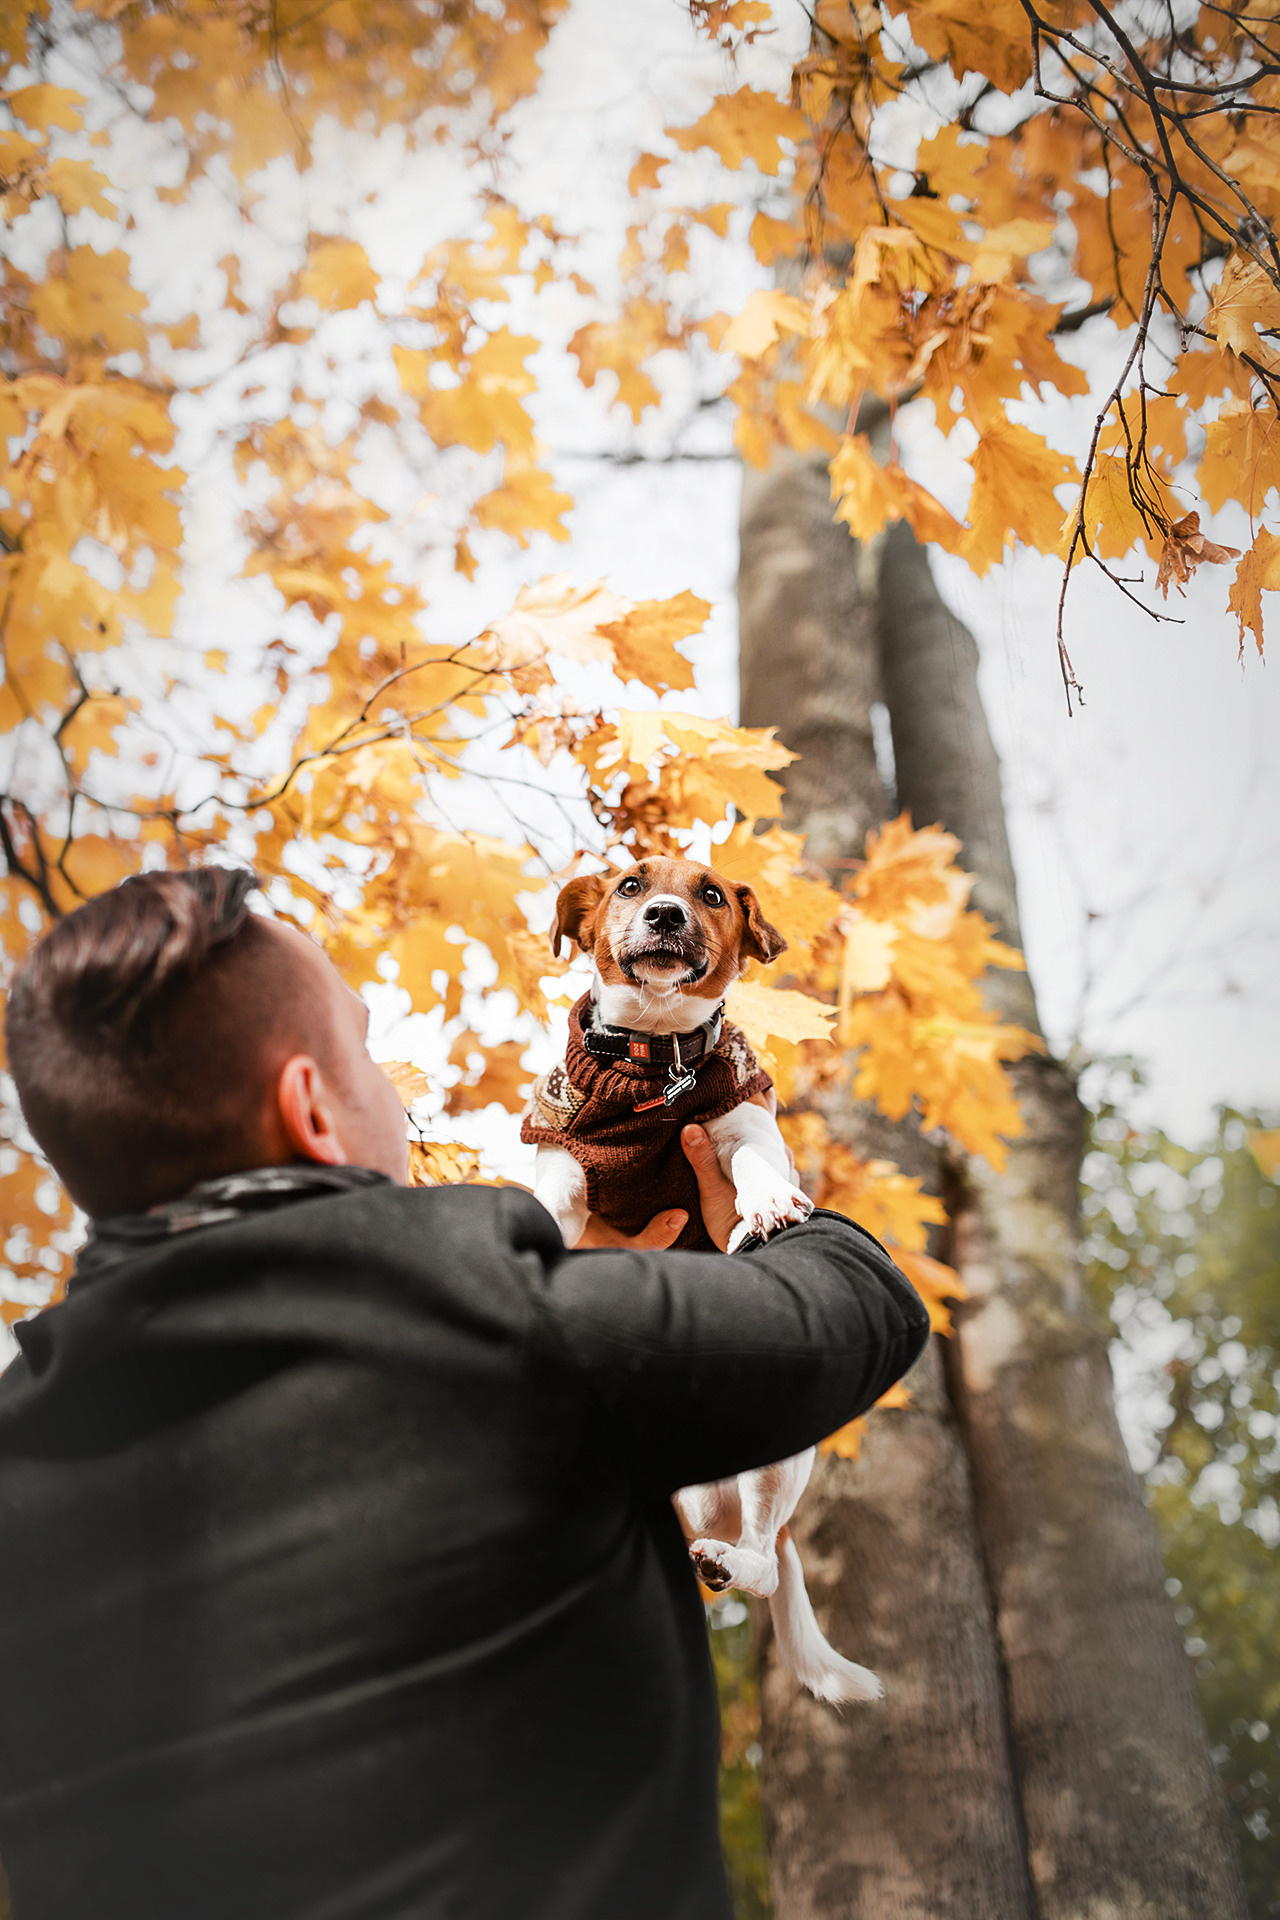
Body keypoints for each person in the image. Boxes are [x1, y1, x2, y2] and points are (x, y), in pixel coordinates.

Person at [0, 868, 930, 1920]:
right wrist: (745, 1217)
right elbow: (859, 1313)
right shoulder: (486, 1305)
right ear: (311, 1108)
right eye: (364, 1050)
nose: (393, 1089)